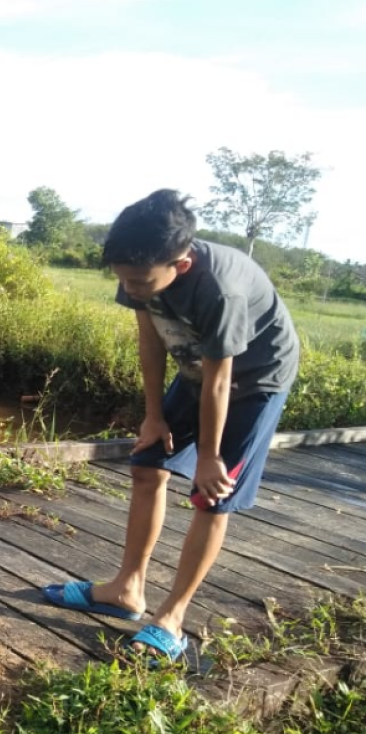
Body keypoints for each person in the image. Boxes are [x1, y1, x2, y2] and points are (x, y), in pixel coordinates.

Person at [43, 189, 299, 665]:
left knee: (212, 495)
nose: (130, 288)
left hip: (253, 381)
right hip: (196, 370)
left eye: (139, 281)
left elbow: (222, 383)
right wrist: (154, 414)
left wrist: (207, 456)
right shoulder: (138, 267)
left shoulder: (219, 290)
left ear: (179, 265)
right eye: (123, 280)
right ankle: (126, 589)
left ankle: (172, 618)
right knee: (146, 464)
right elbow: (151, 341)